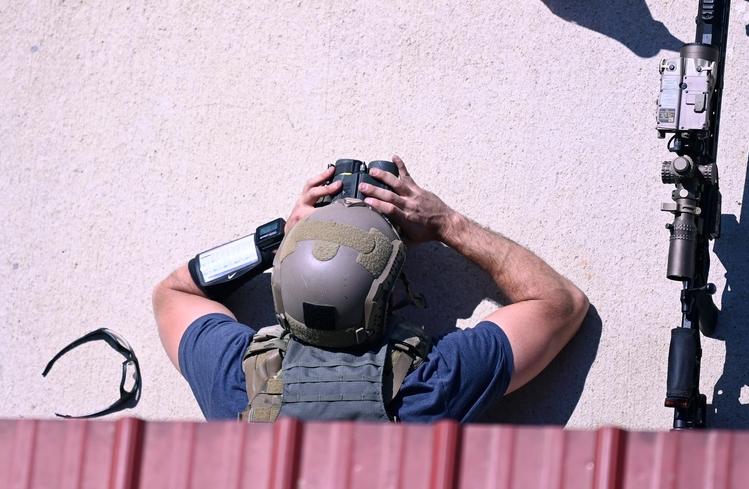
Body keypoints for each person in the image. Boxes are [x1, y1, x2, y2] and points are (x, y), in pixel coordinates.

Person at [153, 155, 589, 422]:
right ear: (386, 298)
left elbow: (174, 293)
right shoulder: (429, 386)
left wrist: (278, 238)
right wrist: (446, 224)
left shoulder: (233, 379)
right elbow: (560, 302)